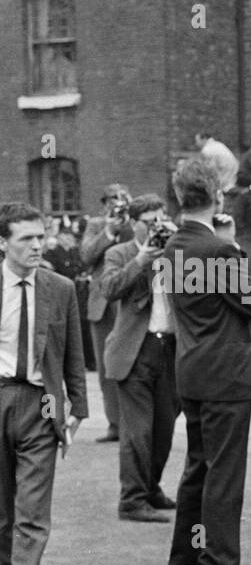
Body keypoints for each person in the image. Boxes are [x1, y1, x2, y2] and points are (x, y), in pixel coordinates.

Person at [163, 157, 251, 565]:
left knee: (198, 470)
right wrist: (236, 248)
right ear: (218, 197)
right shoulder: (220, 250)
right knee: (224, 474)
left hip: (191, 371)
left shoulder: (172, 248)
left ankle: (184, 563)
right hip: (226, 376)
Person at [0, 203, 88, 565]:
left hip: (41, 405)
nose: (38, 245)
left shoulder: (61, 287)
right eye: (26, 239)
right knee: (2, 512)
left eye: (41, 236)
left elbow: (74, 353)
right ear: (3, 243)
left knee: (32, 511)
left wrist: (80, 409)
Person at [100, 195, 180, 523]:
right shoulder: (119, 252)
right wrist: (141, 261)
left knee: (164, 428)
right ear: (135, 223)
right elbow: (109, 288)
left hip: (169, 349)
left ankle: (150, 488)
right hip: (134, 350)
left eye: (160, 220)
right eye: (149, 221)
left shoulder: (175, 252)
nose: (155, 227)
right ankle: (131, 500)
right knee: (137, 432)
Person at [80, 183, 133, 442]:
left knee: (132, 363)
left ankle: (133, 422)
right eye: (111, 199)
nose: (116, 204)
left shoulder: (135, 224)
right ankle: (115, 424)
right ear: (103, 204)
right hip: (102, 304)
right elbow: (87, 256)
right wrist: (109, 230)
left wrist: (128, 221)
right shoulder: (95, 225)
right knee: (105, 368)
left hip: (127, 302)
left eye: (122, 199)